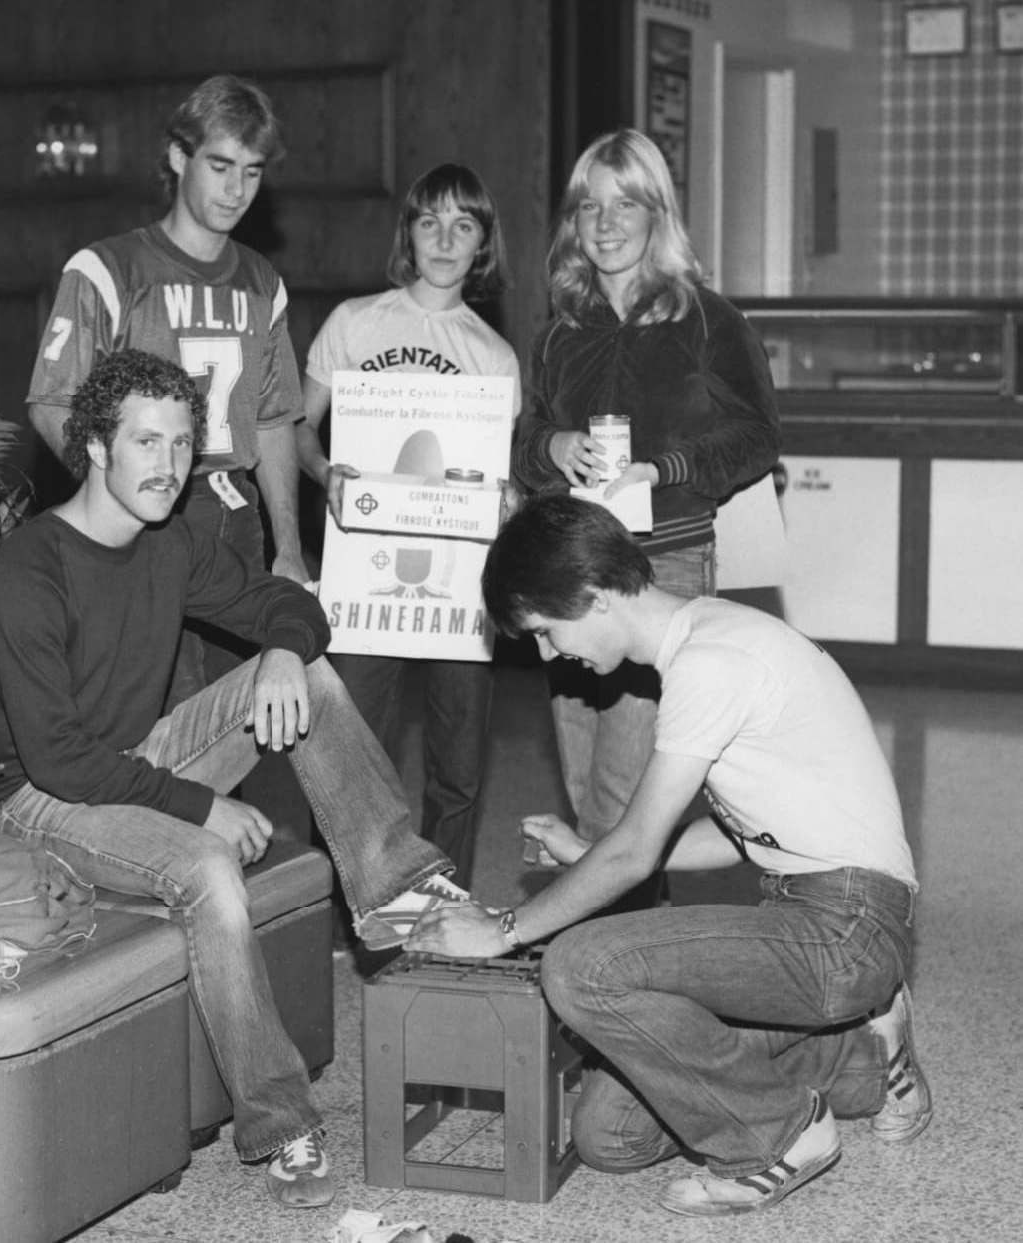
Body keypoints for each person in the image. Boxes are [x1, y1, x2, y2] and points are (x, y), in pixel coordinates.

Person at [0, 349, 471, 1208]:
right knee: (210, 871)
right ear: (95, 446)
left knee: (308, 675)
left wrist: (279, 648)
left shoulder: (171, 542)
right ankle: (281, 1123)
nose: (166, 465)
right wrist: (201, 806)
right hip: (39, 801)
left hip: (136, 755)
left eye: (180, 444)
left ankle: (391, 884)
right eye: (144, 442)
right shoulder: (26, 572)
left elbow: (295, 605)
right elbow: (56, 758)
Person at [408, 494, 932, 1217]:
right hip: (812, 918)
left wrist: (502, 929)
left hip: (845, 928)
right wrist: (594, 850)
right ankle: (866, 1056)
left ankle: (779, 1133)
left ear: (591, 597)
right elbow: (739, 835)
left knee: (580, 965)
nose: (547, 653)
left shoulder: (711, 662)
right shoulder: (709, 639)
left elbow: (635, 852)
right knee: (608, 1138)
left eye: (543, 629)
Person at [511, 129, 781, 854]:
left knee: (624, 797)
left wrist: (664, 469)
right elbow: (522, 439)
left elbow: (757, 435)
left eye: (625, 203)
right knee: (581, 778)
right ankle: (609, 946)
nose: (605, 223)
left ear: (657, 212)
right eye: (589, 206)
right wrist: (551, 446)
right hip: (572, 568)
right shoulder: (559, 331)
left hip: (663, 566)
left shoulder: (706, 319)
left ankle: (608, 953)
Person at [27, 73, 308, 701]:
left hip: (235, 514)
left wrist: (289, 547)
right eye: (220, 165)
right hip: (145, 517)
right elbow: (53, 403)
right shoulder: (108, 268)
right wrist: (118, 501)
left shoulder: (263, 281)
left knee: (238, 719)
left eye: (254, 171)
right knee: (153, 715)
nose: (237, 190)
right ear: (179, 156)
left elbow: (272, 418)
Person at [296, 163, 520, 885]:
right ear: (408, 234)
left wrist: (508, 498)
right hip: (364, 569)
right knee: (348, 753)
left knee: (457, 767)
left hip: (461, 581)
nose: (445, 239)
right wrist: (325, 473)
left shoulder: (493, 355)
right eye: (430, 222)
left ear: (483, 241)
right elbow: (298, 430)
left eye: (464, 224)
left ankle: (438, 897)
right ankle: (341, 901)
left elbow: (497, 475)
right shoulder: (354, 322)